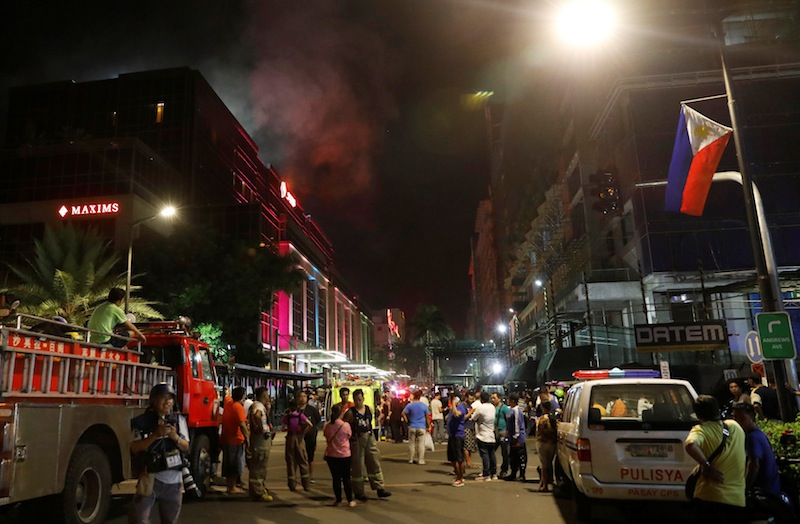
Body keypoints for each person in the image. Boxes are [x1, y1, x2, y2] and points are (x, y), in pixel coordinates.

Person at [129, 383, 190, 524]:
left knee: (170, 521)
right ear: (154, 400)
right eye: (163, 398)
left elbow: (186, 447)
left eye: (170, 398)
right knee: (138, 519)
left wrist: (175, 437)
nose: (167, 402)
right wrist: (155, 435)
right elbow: (135, 447)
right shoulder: (142, 422)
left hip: (174, 482)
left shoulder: (179, 421)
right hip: (150, 478)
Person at [684, 395, 746, 523]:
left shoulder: (701, 430)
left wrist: (705, 465)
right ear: (717, 410)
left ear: (697, 415)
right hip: (736, 500)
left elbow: (691, 444)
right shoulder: (735, 427)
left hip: (708, 498)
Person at [344, 388, 392, 501]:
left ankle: (380, 488)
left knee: (374, 462)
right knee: (357, 466)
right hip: (357, 439)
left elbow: (372, 422)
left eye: (360, 399)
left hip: (369, 437)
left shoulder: (369, 409)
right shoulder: (350, 412)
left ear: (363, 399)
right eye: (356, 400)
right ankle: (359, 491)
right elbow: (344, 427)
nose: (358, 402)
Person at [732, 402, 781, 495]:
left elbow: (753, 466)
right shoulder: (759, 434)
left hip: (764, 493)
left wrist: (744, 490)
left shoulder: (753, 437)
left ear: (752, 417)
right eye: (735, 417)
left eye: (741, 418)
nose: (737, 421)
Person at [324, 404, 355, 507]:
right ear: (341, 413)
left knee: (336, 478)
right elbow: (349, 436)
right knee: (346, 478)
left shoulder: (328, 425)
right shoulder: (345, 425)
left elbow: (326, 436)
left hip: (332, 455)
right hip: (344, 454)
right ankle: (350, 500)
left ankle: (338, 500)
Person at [247, 387, 274, 502]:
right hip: (261, 440)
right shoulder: (258, 406)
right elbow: (258, 416)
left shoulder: (256, 405)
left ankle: (257, 489)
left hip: (258, 438)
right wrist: (261, 429)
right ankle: (258, 492)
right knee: (259, 464)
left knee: (258, 464)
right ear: (263, 396)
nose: (268, 397)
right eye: (267, 395)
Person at [221, 386, 249, 494]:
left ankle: (229, 486)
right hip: (236, 439)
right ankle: (232, 487)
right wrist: (247, 438)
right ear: (242, 397)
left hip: (226, 439)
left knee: (228, 464)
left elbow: (227, 397)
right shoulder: (238, 407)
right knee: (235, 464)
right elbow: (242, 424)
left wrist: (227, 391)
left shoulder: (228, 404)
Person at [282, 398, 313, 491]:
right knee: (303, 460)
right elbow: (310, 425)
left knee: (291, 461)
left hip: (290, 438)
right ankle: (306, 484)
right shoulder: (300, 416)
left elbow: (283, 429)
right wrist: (303, 432)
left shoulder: (286, 417)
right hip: (299, 439)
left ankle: (292, 484)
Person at [297, 390, 322, 483]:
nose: (302, 398)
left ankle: (310, 476)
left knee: (310, 456)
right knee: (299, 457)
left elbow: (318, 420)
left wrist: (313, 429)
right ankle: (302, 475)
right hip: (298, 437)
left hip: (310, 436)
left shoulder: (312, 409)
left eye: (304, 396)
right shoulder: (296, 410)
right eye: (300, 396)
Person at [472, 390, 497, 481]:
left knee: (485, 455)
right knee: (492, 454)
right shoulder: (492, 407)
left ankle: (486, 474)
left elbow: (473, 418)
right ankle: (494, 473)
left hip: (482, 435)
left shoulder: (480, 408)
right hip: (491, 434)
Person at [447, 392, 470, 487]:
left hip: (458, 435)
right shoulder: (454, 408)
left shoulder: (460, 407)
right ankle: (458, 475)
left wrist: (453, 403)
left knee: (459, 458)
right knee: (452, 457)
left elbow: (457, 414)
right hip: (452, 434)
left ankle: (460, 478)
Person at [402, 390, 430, 464]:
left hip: (412, 426)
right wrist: (428, 426)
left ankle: (411, 459)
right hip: (421, 426)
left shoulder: (410, 405)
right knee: (421, 444)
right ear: (420, 397)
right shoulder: (423, 405)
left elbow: (403, 413)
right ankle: (421, 460)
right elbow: (427, 416)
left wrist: (407, 421)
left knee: (412, 444)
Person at [536, 400, 558, 492]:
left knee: (544, 466)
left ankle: (545, 485)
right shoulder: (553, 418)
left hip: (543, 443)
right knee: (549, 463)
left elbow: (538, 431)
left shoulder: (541, 419)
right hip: (552, 444)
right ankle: (545, 482)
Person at [506, 393, 527, 482]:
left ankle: (522, 475)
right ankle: (513, 473)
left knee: (520, 456)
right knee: (513, 456)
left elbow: (517, 424)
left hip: (518, 437)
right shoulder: (511, 410)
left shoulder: (516, 411)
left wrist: (516, 436)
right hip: (512, 437)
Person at [491, 392, 510, 478]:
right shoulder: (492, 407)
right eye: (492, 398)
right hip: (494, 431)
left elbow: (508, 419)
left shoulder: (504, 408)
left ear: (499, 398)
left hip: (503, 431)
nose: (492, 400)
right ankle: (492, 469)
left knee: (505, 452)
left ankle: (504, 470)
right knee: (491, 451)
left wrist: (508, 431)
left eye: (494, 398)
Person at [463, 390, 480, 469]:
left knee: (470, 446)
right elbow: (463, 417)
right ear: (466, 398)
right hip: (466, 428)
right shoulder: (463, 406)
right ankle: (468, 463)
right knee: (466, 446)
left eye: (472, 399)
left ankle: (468, 462)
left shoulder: (470, 406)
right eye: (470, 399)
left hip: (471, 427)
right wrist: (471, 412)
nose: (471, 400)